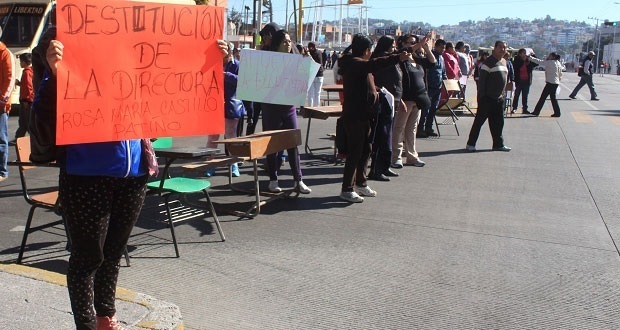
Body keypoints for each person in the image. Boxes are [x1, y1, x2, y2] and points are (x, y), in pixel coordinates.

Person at [42, 29, 229, 329]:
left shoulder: (140, 47)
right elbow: (41, 114)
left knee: (113, 253)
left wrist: (210, 62)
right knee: (87, 258)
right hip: (86, 175)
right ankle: (87, 325)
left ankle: (106, 317)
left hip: (134, 175)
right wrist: (53, 72)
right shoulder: (72, 40)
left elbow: (173, 87)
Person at [337, 33, 410, 203]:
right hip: (356, 116)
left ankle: (361, 183)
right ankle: (347, 188)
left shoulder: (359, 65)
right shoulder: (356, 63)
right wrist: (397, 57)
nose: (371, 52)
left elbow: (369, 77)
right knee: (355, 152)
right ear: (365, 50)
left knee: (366, 150)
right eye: (370, 49)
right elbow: (376, 64)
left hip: (366, 115)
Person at [262, 29, 311, 194]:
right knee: (272, 145)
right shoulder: (266, 60)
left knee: (293, 145)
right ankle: (273, 179)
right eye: (284, 41)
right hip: (271, 108)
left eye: (289, 41)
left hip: (289, 108)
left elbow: (304, 83)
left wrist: (308, 63)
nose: (288, 44)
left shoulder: (297, 61)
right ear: (276, 44)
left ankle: (299, 180)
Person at [392, 33, 434, 169]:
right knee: (399, 128)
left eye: (414, 42)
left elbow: (433, 63)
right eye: (409, 42)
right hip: (406, 99)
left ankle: (412, 156)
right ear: (403, 44)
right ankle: (396, 157)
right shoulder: (400, 58)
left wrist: (427, 48)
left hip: (418, 99)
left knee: (412, 129)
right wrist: (420, 43)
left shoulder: (417, 59)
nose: (412, 45)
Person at [206, 42, 246, 177]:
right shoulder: (212, 63)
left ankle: (234, 164)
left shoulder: (237, 65)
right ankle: (210, 164)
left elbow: (244, 81)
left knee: (231, 137)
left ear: (230, 52)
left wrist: (227, 75)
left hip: (232, 106)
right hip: (214, 105)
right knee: (213, 137)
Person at [465, 40, 511, 152]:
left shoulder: (504, 62)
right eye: (500, 47)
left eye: (504, 47)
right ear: (494, 48)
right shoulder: (488, 62)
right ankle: (471, 144)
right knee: (479, 122)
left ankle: (498, 144)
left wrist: (503, 95)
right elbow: (482, 82)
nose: (502, 49)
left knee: (498, 123)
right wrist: (482, 97)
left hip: (499, 98)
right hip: (487, 98)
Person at [246, 22, 280, 135]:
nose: (264, 39)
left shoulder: (281, 50)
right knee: (252, 119)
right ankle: (248, 143)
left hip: (273, 96)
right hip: (259, 92)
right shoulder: (263, 49)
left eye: (266, 37)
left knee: (270, 124)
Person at [418, 39, 447, 138]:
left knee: (433, 109)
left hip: (438, 87)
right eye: (441, 47)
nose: (443, 50)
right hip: (429, 87)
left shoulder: (442, 58)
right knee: (425, 109)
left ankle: (428, 128)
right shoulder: (430, 56)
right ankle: (420, 128)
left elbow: (443, 72)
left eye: (444, 48)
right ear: (437, 46)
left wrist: (445, 81)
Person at [0, 26, 16, 183]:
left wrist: (3, 99)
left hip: (0, 107)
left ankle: (2, 171)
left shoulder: (5, 54)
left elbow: (10, 79)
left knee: (1, 139)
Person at [529, 52, 564, 117]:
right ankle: (557, 112)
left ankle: (536, 111)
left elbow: (539, 62)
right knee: (553, 98)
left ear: (553, 56)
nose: (548, 56)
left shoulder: (550, 62)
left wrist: (530, 58)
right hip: (555, 82)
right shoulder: (558, 63)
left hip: (550, 82)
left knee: (543, 97)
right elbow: (560, 74)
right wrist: (559, 80)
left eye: (550, 55)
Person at [12, 53, 34, 144]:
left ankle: (21, 138)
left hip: (26, 101)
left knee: (25, 121)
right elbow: (26, 85)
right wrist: (19, 83)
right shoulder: (31, 71)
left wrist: (26, 100)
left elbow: (28, 87)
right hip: (28, 101)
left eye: (21, 62)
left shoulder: (26, 72)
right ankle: (19, 138)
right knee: (25, 122)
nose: (20, 63)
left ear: (24, 62)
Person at [511, 48, 538, 114]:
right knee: (516, 95)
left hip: (527, 81)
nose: (524, 54)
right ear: (520, 54)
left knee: (525, 96)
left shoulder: (529, 60)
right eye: (522, 53)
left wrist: (533, 55)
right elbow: (515, 66)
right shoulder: (517, 60)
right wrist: (522, 60)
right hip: (519, 80)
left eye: (525, 53)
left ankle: (525, 109)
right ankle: (514, 108)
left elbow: (536, 63)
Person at [306, 42, 324, 107]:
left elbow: (317, 64)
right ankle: (316, 108)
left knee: (310, 93)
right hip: (319, 75)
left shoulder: (310, 54)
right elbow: (320, 64)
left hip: (313, 74)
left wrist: (309, 57)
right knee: (317, 93)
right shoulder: (319, 53)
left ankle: (310, 108)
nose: (309, 48)